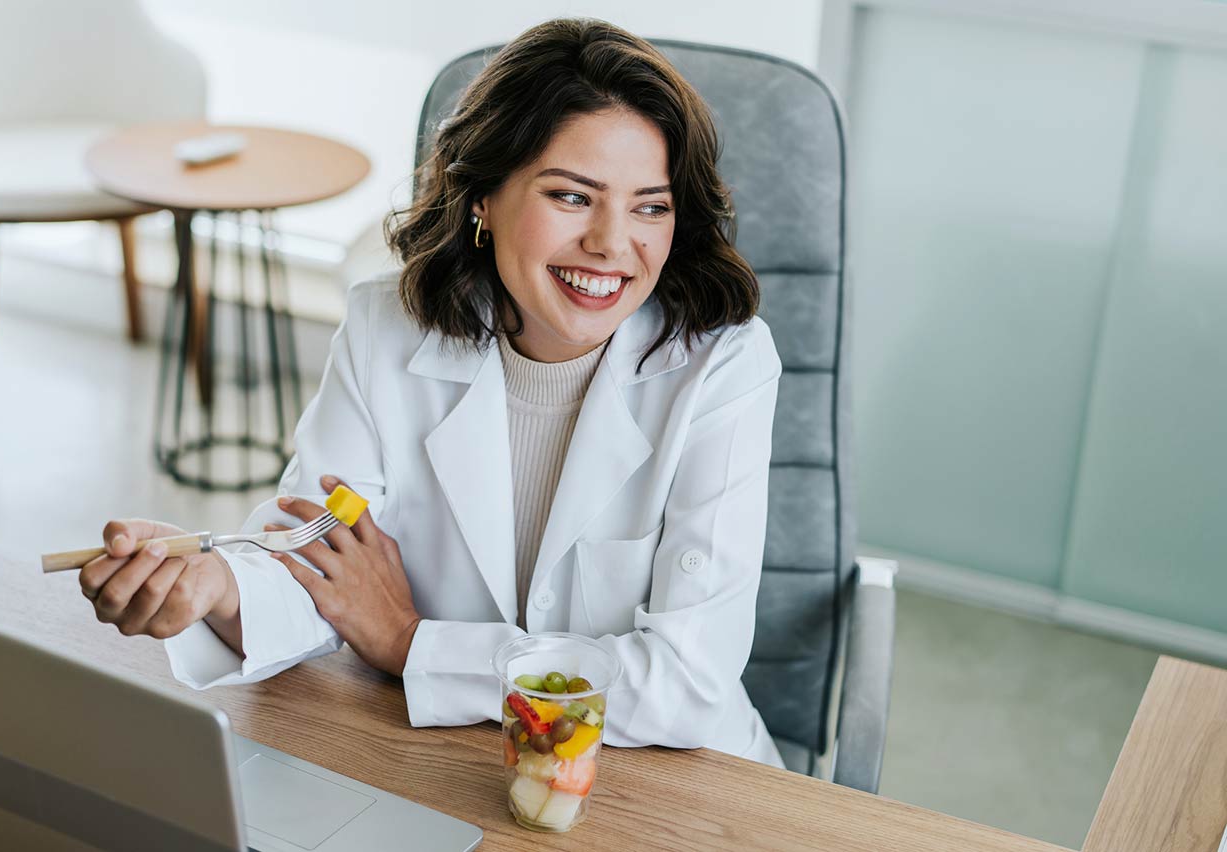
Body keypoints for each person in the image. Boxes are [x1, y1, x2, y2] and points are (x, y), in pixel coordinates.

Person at [77, 17, 784, 767]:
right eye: (573, 197)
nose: (614, 244)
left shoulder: (722, 367)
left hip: (667, 782)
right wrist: (215, 585)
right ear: (482, 194)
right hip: (447, 760)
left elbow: (685, 685)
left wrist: (410, 643)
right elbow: (322, 557)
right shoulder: (387, 330)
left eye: (651, 205)